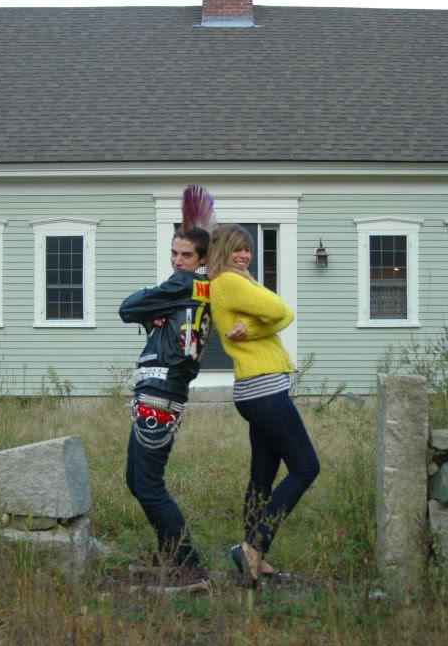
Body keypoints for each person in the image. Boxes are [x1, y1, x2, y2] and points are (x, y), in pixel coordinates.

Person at [208, 224, 320, 588]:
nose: (243, 255)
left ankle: (254, 559)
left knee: (262, 477)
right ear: (222, 252)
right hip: (264, 389)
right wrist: (260, 326)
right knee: (306, 467)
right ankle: (253, 546)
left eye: (248, 249)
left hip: (255, 389)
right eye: (236, 249)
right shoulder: (229, 282)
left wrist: (251, 328)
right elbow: (282, 310)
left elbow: (278, 317)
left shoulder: (235, 282)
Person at [119, 185, 215, 592]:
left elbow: (127, 307)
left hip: (161, 390)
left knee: (148, 483)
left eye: (186, 255)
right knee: (135, 478)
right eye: (174, 253)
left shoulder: (182, 285)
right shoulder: (198, 289)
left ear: (202, 259)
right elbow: (151, 317)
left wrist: (149, 306)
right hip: (163, 388)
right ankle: (171, 557)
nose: (177, 261)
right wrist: (154, 315)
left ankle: (190, 568)